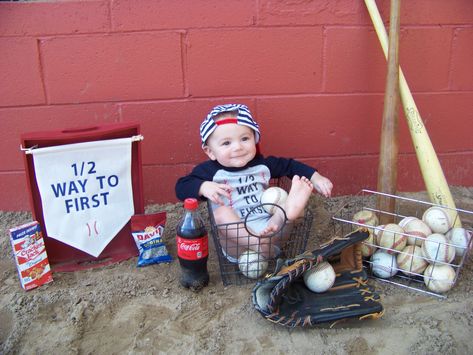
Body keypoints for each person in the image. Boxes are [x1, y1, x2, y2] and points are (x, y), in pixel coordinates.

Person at [175, 104, 333, 261]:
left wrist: (315, 177)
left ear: (255, 140)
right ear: (210, 152)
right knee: (221, 214)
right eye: (226, 143)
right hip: (236, 241)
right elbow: (181, 187)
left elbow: (289, 166)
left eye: (244, 139)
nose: (238, 147)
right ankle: (261, 244)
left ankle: (288, 213)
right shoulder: (209, 172)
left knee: (281, 204)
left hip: (270, 228)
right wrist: (203, 186)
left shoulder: (261, 165)